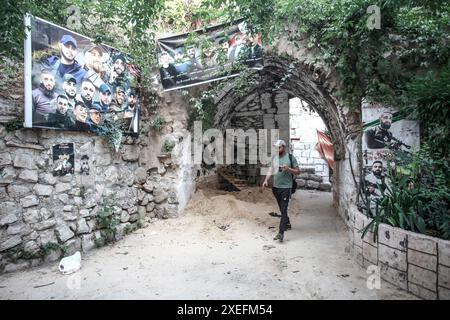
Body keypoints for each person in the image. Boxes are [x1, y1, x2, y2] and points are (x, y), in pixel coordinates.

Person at [262, 139, 300, 242]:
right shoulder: (274, 158)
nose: (277, 149)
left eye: (279, 147)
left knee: (284, 209)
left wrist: (288, 169)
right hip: (276, 187)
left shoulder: (290, 158)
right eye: (276, 147)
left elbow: (298, 171)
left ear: (284, 147)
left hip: (286, 188)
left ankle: (280, 233)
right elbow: (270, 170)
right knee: (281, 208)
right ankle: (287, 223)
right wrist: (266, 180)